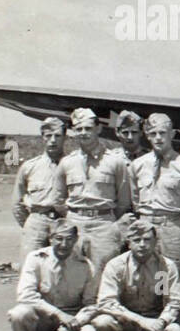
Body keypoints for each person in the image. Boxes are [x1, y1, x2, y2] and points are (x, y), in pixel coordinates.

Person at [87, 220, 180, 331]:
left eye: (147, 240)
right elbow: (107, 302)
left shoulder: (164, 267)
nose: (142, 245)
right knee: (102, 321)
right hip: (127, 322)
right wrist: (141, 321)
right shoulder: (117, 266)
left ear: (155, 242)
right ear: (128, 243)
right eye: (137, 240)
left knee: (174, 329)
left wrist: (159, 323)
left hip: (154, 321)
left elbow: (172, 302)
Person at [8, 220, 101, 331]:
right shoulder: (36, 259)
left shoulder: (85, 265)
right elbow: (25, 294)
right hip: (43, 316)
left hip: (72, 318)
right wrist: (59, 315)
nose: (64, 244)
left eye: (69, 239)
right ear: (50, 238)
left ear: (76, 239)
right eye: (59, 238)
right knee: (19, 314)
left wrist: (75, 322)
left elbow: (91, 303)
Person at [52, 107, 132, 276]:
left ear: (98, 129)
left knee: (103, 273)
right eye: (79, 129)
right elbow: (58, 200)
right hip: (75, 224)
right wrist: (76, 215)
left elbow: (124, 201)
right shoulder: (67, 162)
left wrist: (108, 221)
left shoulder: (115, 162)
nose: (83, 133)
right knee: (73, 273)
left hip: (104, 225)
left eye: (88, 128)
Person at [129, 112, 180, 275]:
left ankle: (165, 300)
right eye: (153, 134)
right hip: (145, 225)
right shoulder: (138, 165)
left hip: (171, 228)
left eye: (162, 133)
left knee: (167, 274)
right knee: (143, 272)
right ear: (147, 136)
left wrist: (174, 223)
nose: (158, 138)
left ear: (172, 134)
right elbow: (134, 201)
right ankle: (149, 301)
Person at [12, 117, 67, 260]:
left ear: (65, 137)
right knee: (31, 269)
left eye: (57, 136)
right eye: (48, 135)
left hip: (64, 224)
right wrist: (31, 223)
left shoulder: (73, 165)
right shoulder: (30, 167)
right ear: (43, 137)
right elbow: (17, 203)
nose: (53, 140)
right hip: (37, 222)